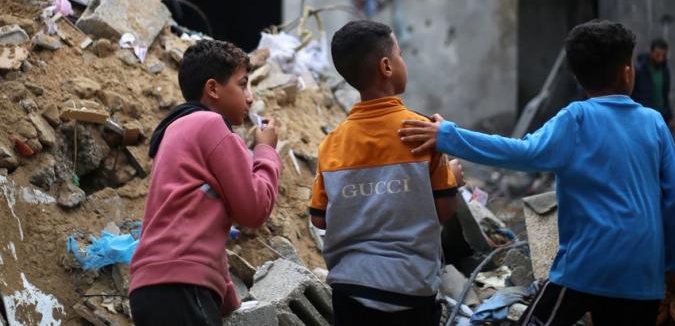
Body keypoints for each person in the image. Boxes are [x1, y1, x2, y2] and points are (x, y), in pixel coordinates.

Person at [399, 20, 675, 326]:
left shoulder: (576, 119)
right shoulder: (655, 123)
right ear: (627, 72)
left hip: (586, 267)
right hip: (642, 275)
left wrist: (448, 135)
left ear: (577, 77)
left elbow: (520, 153)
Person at [308, 20, 458, 326]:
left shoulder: (332, 143)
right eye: (400, 54)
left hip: (350, 290)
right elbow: (444, 210)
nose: (404, 62)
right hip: (411, 288)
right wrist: (453, 178)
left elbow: (319, 219)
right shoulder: (422, 132)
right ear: (387, 66)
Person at [129, 39, 282, 325]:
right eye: (243, 85)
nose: (250, 98)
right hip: (183, 287)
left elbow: (194, 221)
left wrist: (227, 298)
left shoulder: (175, 131)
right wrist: (266, 151)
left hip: (149, 288)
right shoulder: (212, 126)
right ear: (213, 88)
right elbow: (254, 209)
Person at [632, 38, 673, 126]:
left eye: (663, 55)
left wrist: (669, 116)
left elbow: (665, 95)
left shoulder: (665, 71)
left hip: (660, 117)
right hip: (643, 116)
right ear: (651, 52)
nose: (660, 59)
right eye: (657, 55)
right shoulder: (639, 69)